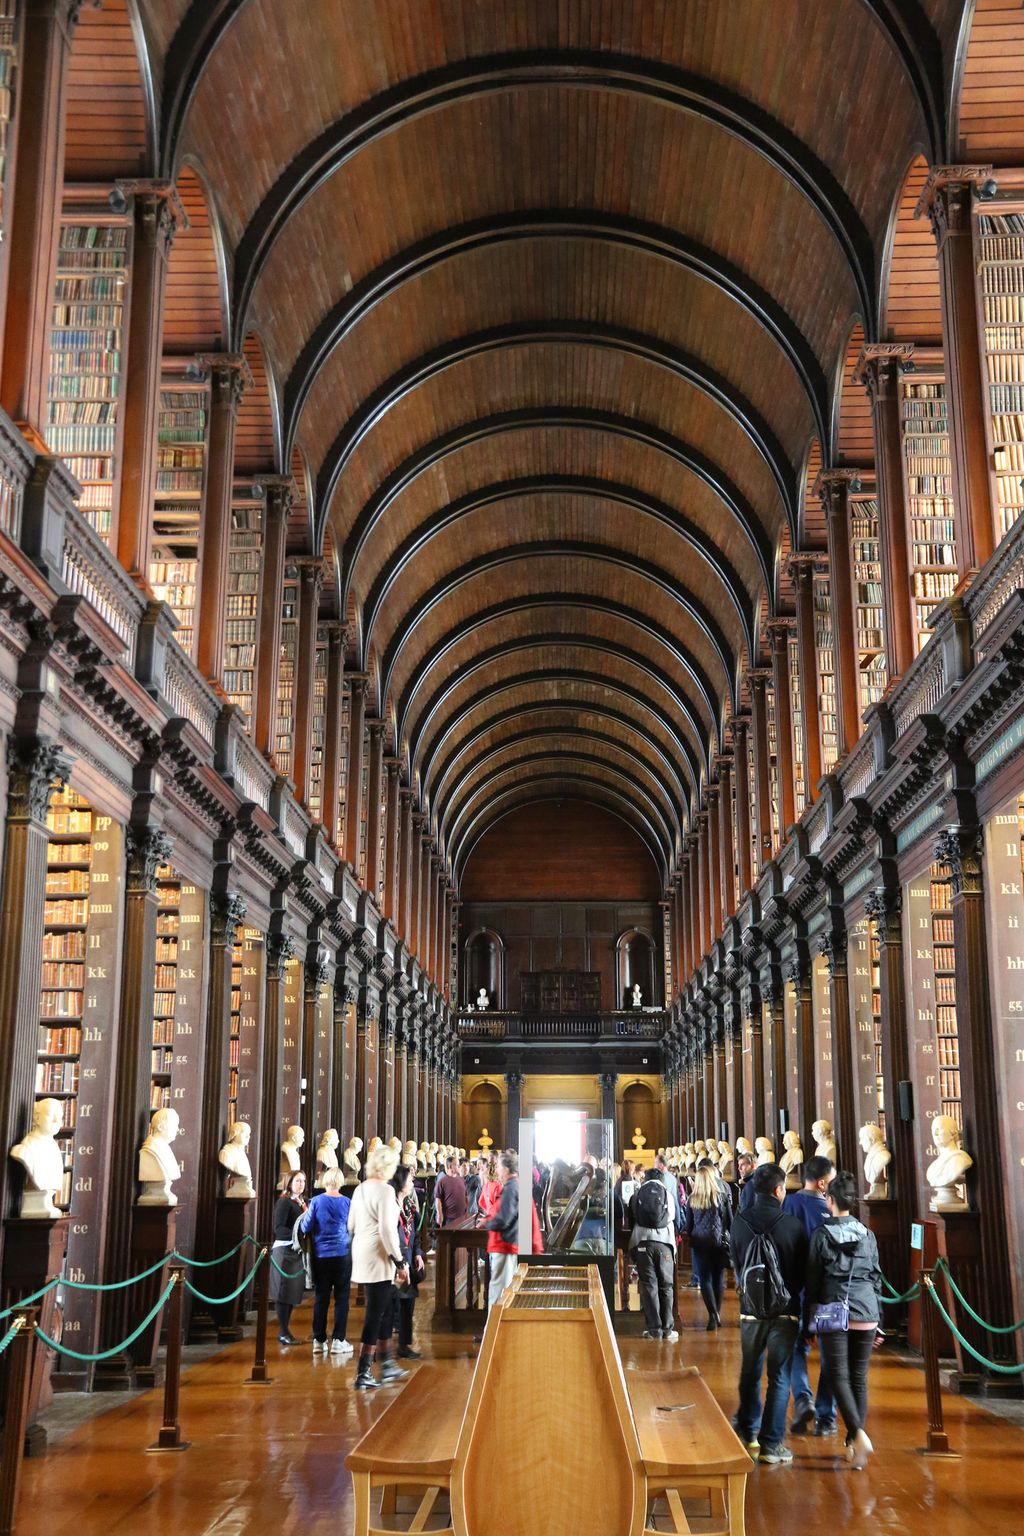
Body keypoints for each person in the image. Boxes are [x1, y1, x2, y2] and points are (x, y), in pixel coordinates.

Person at [729, 1163, 809, 1466]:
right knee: (779, 1377)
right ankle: (771, 1445)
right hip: (784, 1313)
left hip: (750, 1311)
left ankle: (747, 1432)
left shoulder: (739, 1223)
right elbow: (801, 1274)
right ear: (779, 1190)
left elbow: (736, 1264)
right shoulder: (793, 1226)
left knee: (750, 1372)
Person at [802, 1171, 883, 1470]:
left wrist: (806, 1322)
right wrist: (879, 1320)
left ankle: (858, 1434)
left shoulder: (821, 1235)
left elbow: (812, 1283)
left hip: (832, 1311)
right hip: (866, 1310)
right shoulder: (868, 1234)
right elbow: (876, 1278)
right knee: (858, 1377)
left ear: (830, 1200)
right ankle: (854, 1444)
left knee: (837, 1375)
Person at [348, 1143, 409, 1390]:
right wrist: (399, 1260)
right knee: (375, 1312)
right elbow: (387, 1230)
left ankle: (386, 1363)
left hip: (361, 1251)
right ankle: (364, 1370)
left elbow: (351, 1224)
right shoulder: (384, 1191)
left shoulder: (360, 1189)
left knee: (382, 1308)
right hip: (379, 1255)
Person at [783, 1155, 837, 1437]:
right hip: (828, 1295)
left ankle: (803, 1397)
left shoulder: (789, 1205)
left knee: (796, 1349)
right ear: (822, 1182)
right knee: (831, 1355)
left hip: (797, 1292)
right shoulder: (832, 1209)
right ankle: (827, 1417)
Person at [299, 1167, 353, 1357]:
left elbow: (306, 1226)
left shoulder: (316, 1201)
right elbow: (352, 1227)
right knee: (342, 1298)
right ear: (340, 1181)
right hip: (342, 1254)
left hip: (321, 1256)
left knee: (321, 1298)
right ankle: (339, 1340)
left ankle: (319, 1340)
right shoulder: (347, 1202)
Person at [629, 1161, 679, 1342]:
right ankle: (667, 1329)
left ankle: (653, 1330)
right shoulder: (668, 1194)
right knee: (666, 1286)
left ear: (645, 1179)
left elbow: (632, 1216)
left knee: (649, 1286)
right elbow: (674, 1218)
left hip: (643, 1243)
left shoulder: (637, 1194)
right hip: (665, 1244)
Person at [682, 1160, 732, 1330]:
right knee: (718, 1279)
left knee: (705, 1279)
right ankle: (716, 1313)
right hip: (718, 1243)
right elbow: (729, 1222)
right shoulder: (721, 1197)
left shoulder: (692, 1199)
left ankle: (712, 1314)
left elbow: (688, 1226)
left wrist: (692, 1235)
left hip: (700, 1243)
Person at [390, 1161, 426, 1359]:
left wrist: (418, 1252)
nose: (413, 1180)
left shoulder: (409, 1204)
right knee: (392, 1306)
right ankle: (383, 1350)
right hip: (395, 1263)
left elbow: (415, 1234)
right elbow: (389, 1237)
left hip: (409, 1261)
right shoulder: (390, 1205)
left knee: (407, 1304)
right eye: (409, 1178)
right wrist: (399, 1263)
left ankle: (404, 1345)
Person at [270, 1169, 308, 1345]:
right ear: (289, 1183)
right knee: (283, 1292)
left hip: (296, 1251)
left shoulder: (302, 1202)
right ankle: (283, 1331)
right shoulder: (284, 1202)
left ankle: (286, 1331)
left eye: (303, 1181)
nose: (301, 1184)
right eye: (297, 1181)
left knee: (292, 1292)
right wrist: (298, 1234)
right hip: (285, 1251)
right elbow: (278, 1228)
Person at [434, 1153, 468, 1227]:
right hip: (449, 1218)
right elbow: (438, 1199)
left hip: (462, 1216)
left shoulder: (461, 1179)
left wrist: (466, 1210)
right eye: (456, 1164)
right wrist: (439, 1215)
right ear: (450, 1166)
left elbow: (465, 1196)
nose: (459, 1166)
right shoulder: (442, 1181)